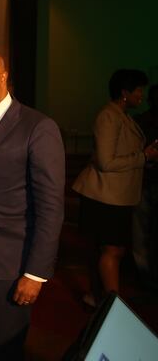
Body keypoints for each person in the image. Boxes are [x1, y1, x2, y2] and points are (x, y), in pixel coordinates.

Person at [0, 51, 65, 360]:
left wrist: (35, 273)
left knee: (7, 347)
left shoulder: (38, 126)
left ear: (3, 77)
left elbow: (51, 207)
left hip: (12, 259)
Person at [73, 70, 158, 307]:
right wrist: (143, 156)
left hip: (116, 196)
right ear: (124, 92)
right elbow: (106, 161)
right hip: (105, 197)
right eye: (138, 90)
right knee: (111, 250)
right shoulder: (108, 116)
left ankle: (103, 299)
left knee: (112, 251)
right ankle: (111, 307)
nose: (142, 95)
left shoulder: (122, 116)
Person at [133, 84, 158, 286]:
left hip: (145, 179)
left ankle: (145, 275)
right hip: (144, 180)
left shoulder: (141, 120)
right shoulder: (141, 122)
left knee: (142, 232)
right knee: (141, 232)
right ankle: (144, 275)